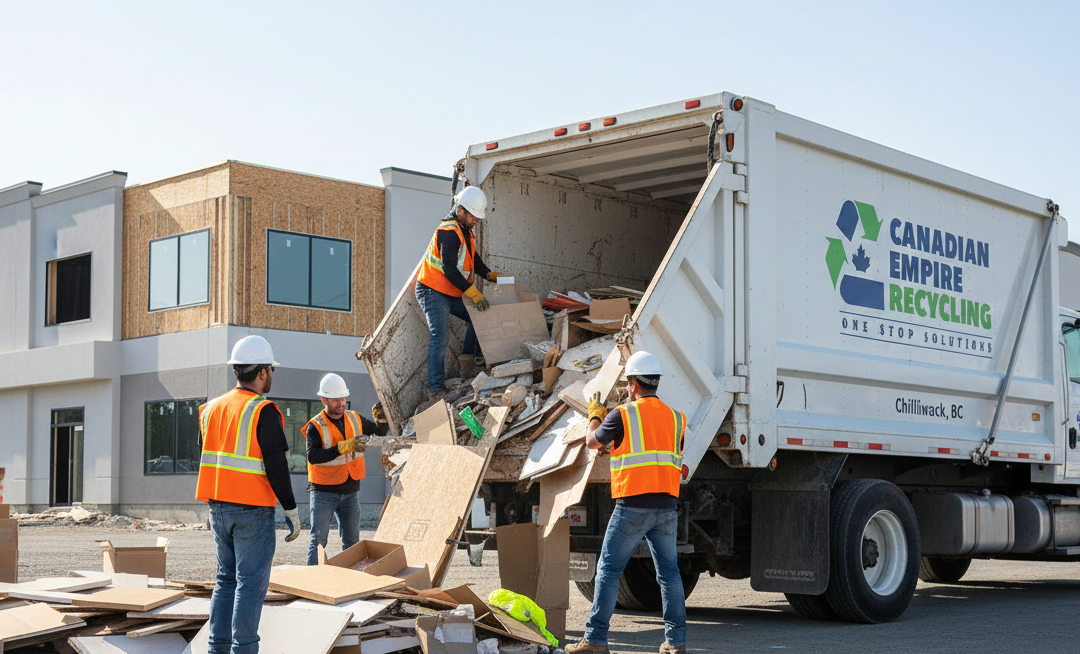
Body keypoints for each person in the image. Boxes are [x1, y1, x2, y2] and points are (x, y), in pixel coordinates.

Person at [567, 351, 688, 654]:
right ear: (656, 383)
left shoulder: (622, 415)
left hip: (633, 507)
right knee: (669, 574)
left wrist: (595, 415)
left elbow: (592, 441)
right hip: (667, 508)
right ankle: (675, 643)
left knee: (608, 570)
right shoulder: (677, 418)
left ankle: (595, 640)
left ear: (633, 383)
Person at [196, 335, 302, 654]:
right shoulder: (263, 410)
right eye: (271, 370)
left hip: (218, 508)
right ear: (262, 372)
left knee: (226, 580)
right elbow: (276, 466)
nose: (271, 375)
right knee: (250, 584)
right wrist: (292, 510)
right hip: (252, 509)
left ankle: (217, 648)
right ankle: (243, 650)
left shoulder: (210, 409)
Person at [415, 185, 507, 394]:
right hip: (431, 289)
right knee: (440, 336)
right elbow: (448, 268)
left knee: (478, 317)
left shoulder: (465, 232)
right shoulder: (448, 232)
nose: (476, 220)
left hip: (448, 290)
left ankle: (467, 365)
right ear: (461, 210)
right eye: (473, 216)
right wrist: (473, 292)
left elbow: (473, 259)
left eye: (477, 217)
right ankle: (436, 390)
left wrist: (490, 275)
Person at [304, 372, 389, 565]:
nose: (340, 403)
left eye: (343, 398)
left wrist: (382, 420)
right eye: (335, 400)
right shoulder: (315, 426)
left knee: (352, 543)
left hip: (350, 492)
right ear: (323, 399)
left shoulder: (355, 418)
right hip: (323, 492)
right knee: (318, 541)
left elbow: (378, 434)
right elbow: (313, 456)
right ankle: (311, 581)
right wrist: (342, 447)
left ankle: (350, 583)